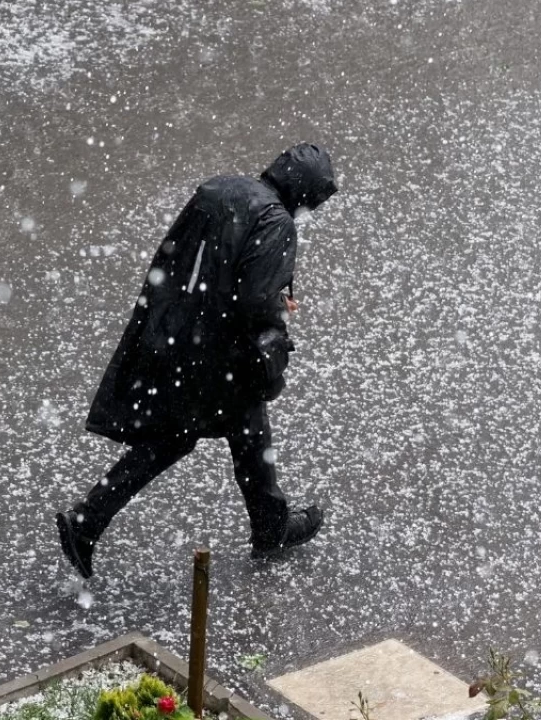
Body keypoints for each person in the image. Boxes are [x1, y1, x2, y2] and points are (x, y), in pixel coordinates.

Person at [55, 143, 338, 578]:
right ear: (304, 193)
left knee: (222, 434)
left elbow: (182, 258)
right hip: (221, 352)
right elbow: (255, 300)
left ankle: (91, 519)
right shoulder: (275, 221)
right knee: (215, 433)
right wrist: (279, 308)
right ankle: (90, 519)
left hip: (180, 334)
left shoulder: (220, 189)